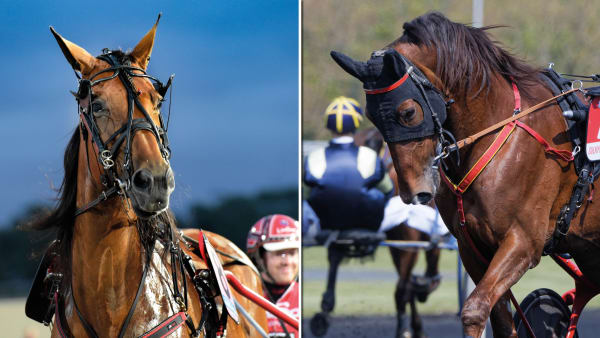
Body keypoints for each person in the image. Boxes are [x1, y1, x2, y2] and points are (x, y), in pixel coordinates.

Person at [303, 96, 393, 232]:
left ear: (328, 125)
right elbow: (387, 190)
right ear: (356, 124)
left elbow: (307, 194)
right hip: (367, 223)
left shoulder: (314, 156)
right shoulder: (369, 155)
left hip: (325, 224)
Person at [247, 214, 300, 338]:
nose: (286, 262)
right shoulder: (242, 299)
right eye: (279, 254)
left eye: (292, 253)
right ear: (259, 258)